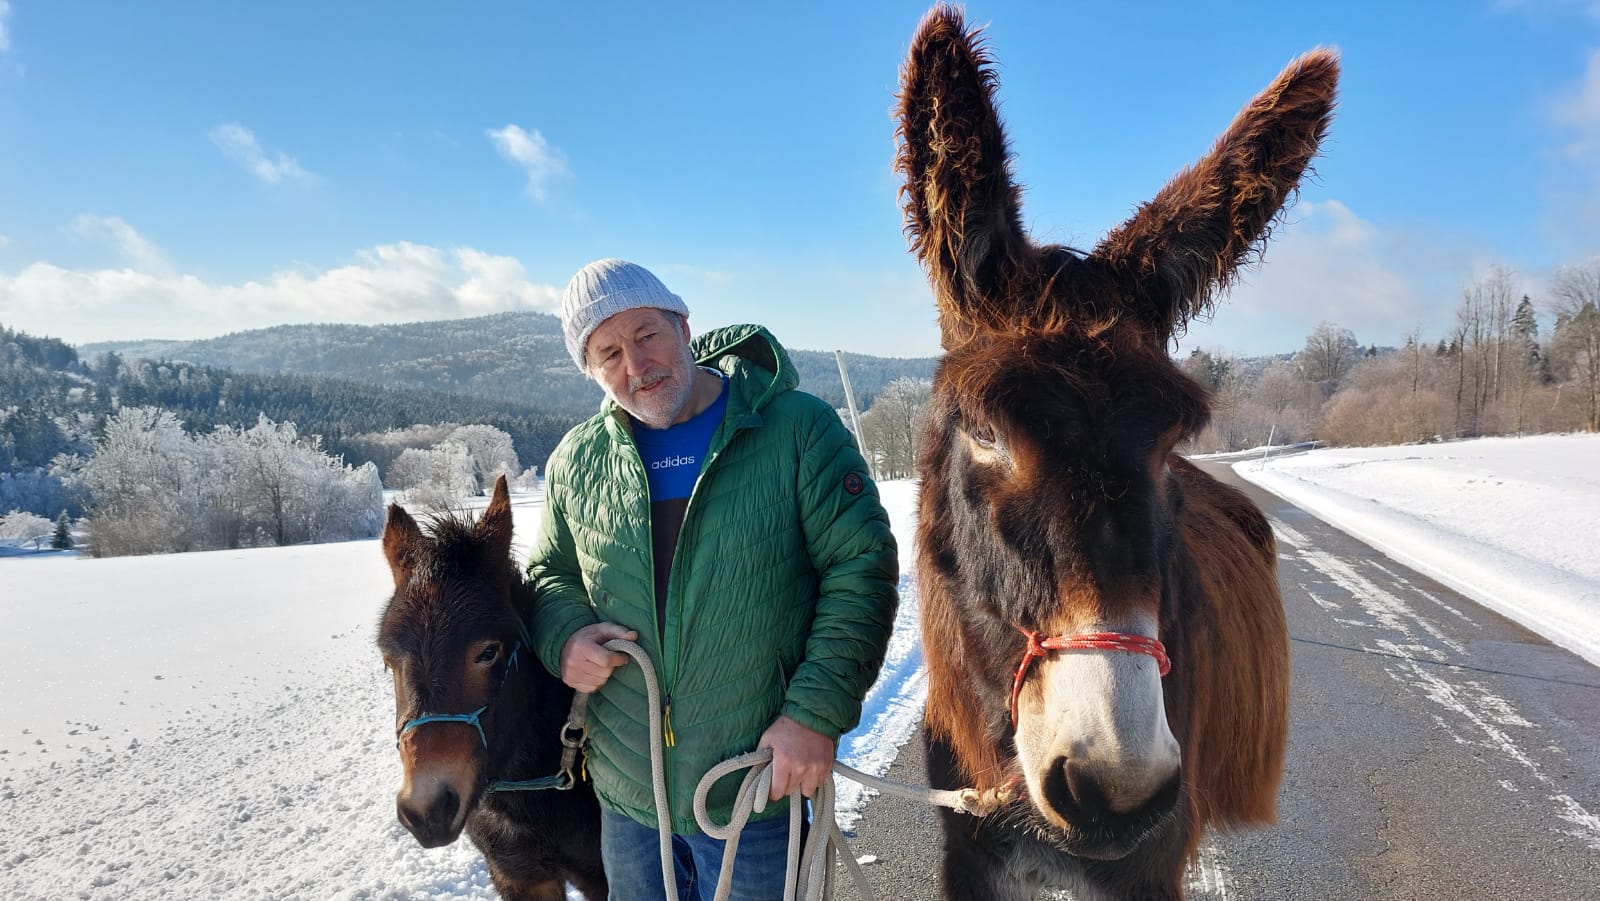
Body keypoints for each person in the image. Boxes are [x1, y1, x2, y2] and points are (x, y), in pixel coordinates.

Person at [526, 259, 899, 900]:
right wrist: (563, 637)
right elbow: (548, 574)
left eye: (647, 335)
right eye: (609, 352)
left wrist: (813, 715)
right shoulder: (575, 463)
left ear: (684, 325)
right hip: (628, 795)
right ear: (591, 369)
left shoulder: (797, 430)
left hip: (751, 788)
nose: (636, 366)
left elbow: (860, 567)